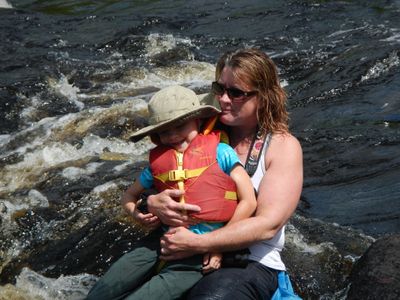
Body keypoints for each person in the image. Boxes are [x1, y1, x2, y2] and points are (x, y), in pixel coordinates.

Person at [147, 48, 303, 299]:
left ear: (264, 97)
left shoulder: (283, 147)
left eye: (236, 93)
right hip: (181, 250)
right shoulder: (192, 132)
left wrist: (198, 244)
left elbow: (267, 225)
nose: (224, 99)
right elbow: (151, 181)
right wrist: (152, 202)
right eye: (220, 89)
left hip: (249, 261)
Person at [86, 85, 257, 300]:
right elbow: (129, 196)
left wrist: (217, 245)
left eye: (180, 126)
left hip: (196, 257)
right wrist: (136, 213)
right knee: (100, 293)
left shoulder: (221, 152)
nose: (173, 135)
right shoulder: (157, 164)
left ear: (197, 120)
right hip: (159, 243)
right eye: (165, 131)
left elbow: (249, 201)